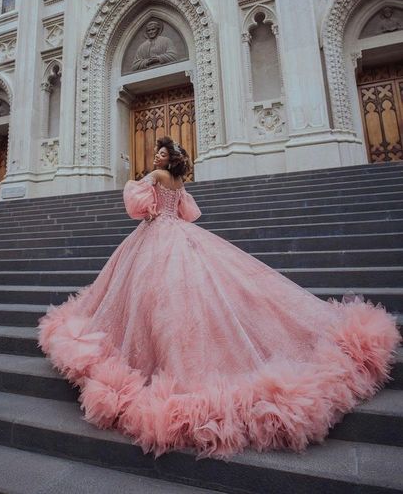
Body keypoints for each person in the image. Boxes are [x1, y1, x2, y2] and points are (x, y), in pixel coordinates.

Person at [37, 136, 400, 459]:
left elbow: (133, 201)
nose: (157, 157)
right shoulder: (178, 181)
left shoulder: (159, 177)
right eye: (157, 153)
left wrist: (143, 182)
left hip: (157, 237)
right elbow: (187, 213)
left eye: (161, 153)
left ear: (169, 159)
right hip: (177, 232)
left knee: (148, 296)